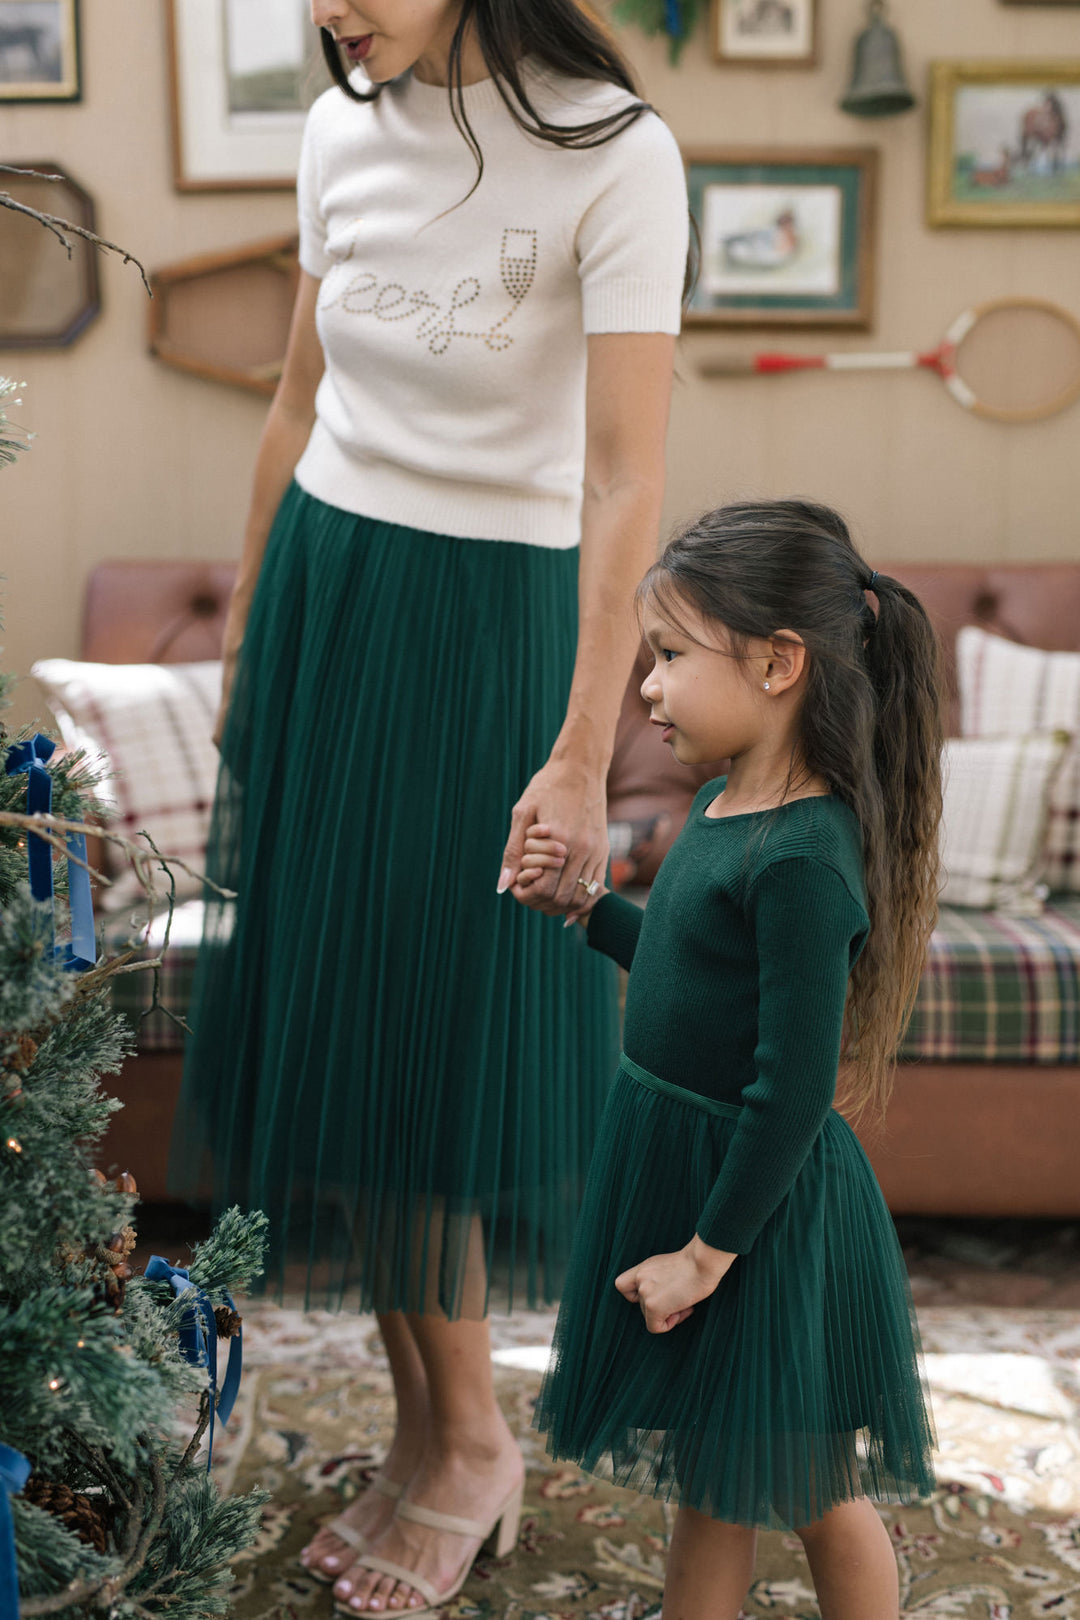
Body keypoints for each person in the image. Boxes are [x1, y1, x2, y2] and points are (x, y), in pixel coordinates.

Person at [168, 0, 688, 1615]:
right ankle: (416, 1423)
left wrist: (583, 744)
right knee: (348, 1018)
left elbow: (622, 486)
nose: (328, 9)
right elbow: (294, 398)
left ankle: (473, 1440)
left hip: (490, 631)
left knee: (437, 1034)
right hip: (336, 586)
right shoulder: (340, 132)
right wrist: (258, 635)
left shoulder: (619, 158)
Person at [516, 500, 942, 1620]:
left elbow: (793, 1082)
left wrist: (707, 1255)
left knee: (811, 1486)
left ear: (777, 662)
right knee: (713, 1478)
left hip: (757, 1207)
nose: (646, 689)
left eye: (667, 657)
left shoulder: (806, 851)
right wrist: (586, 906)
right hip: (691, 1163)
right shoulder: (723, 803)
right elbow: (685, 961)